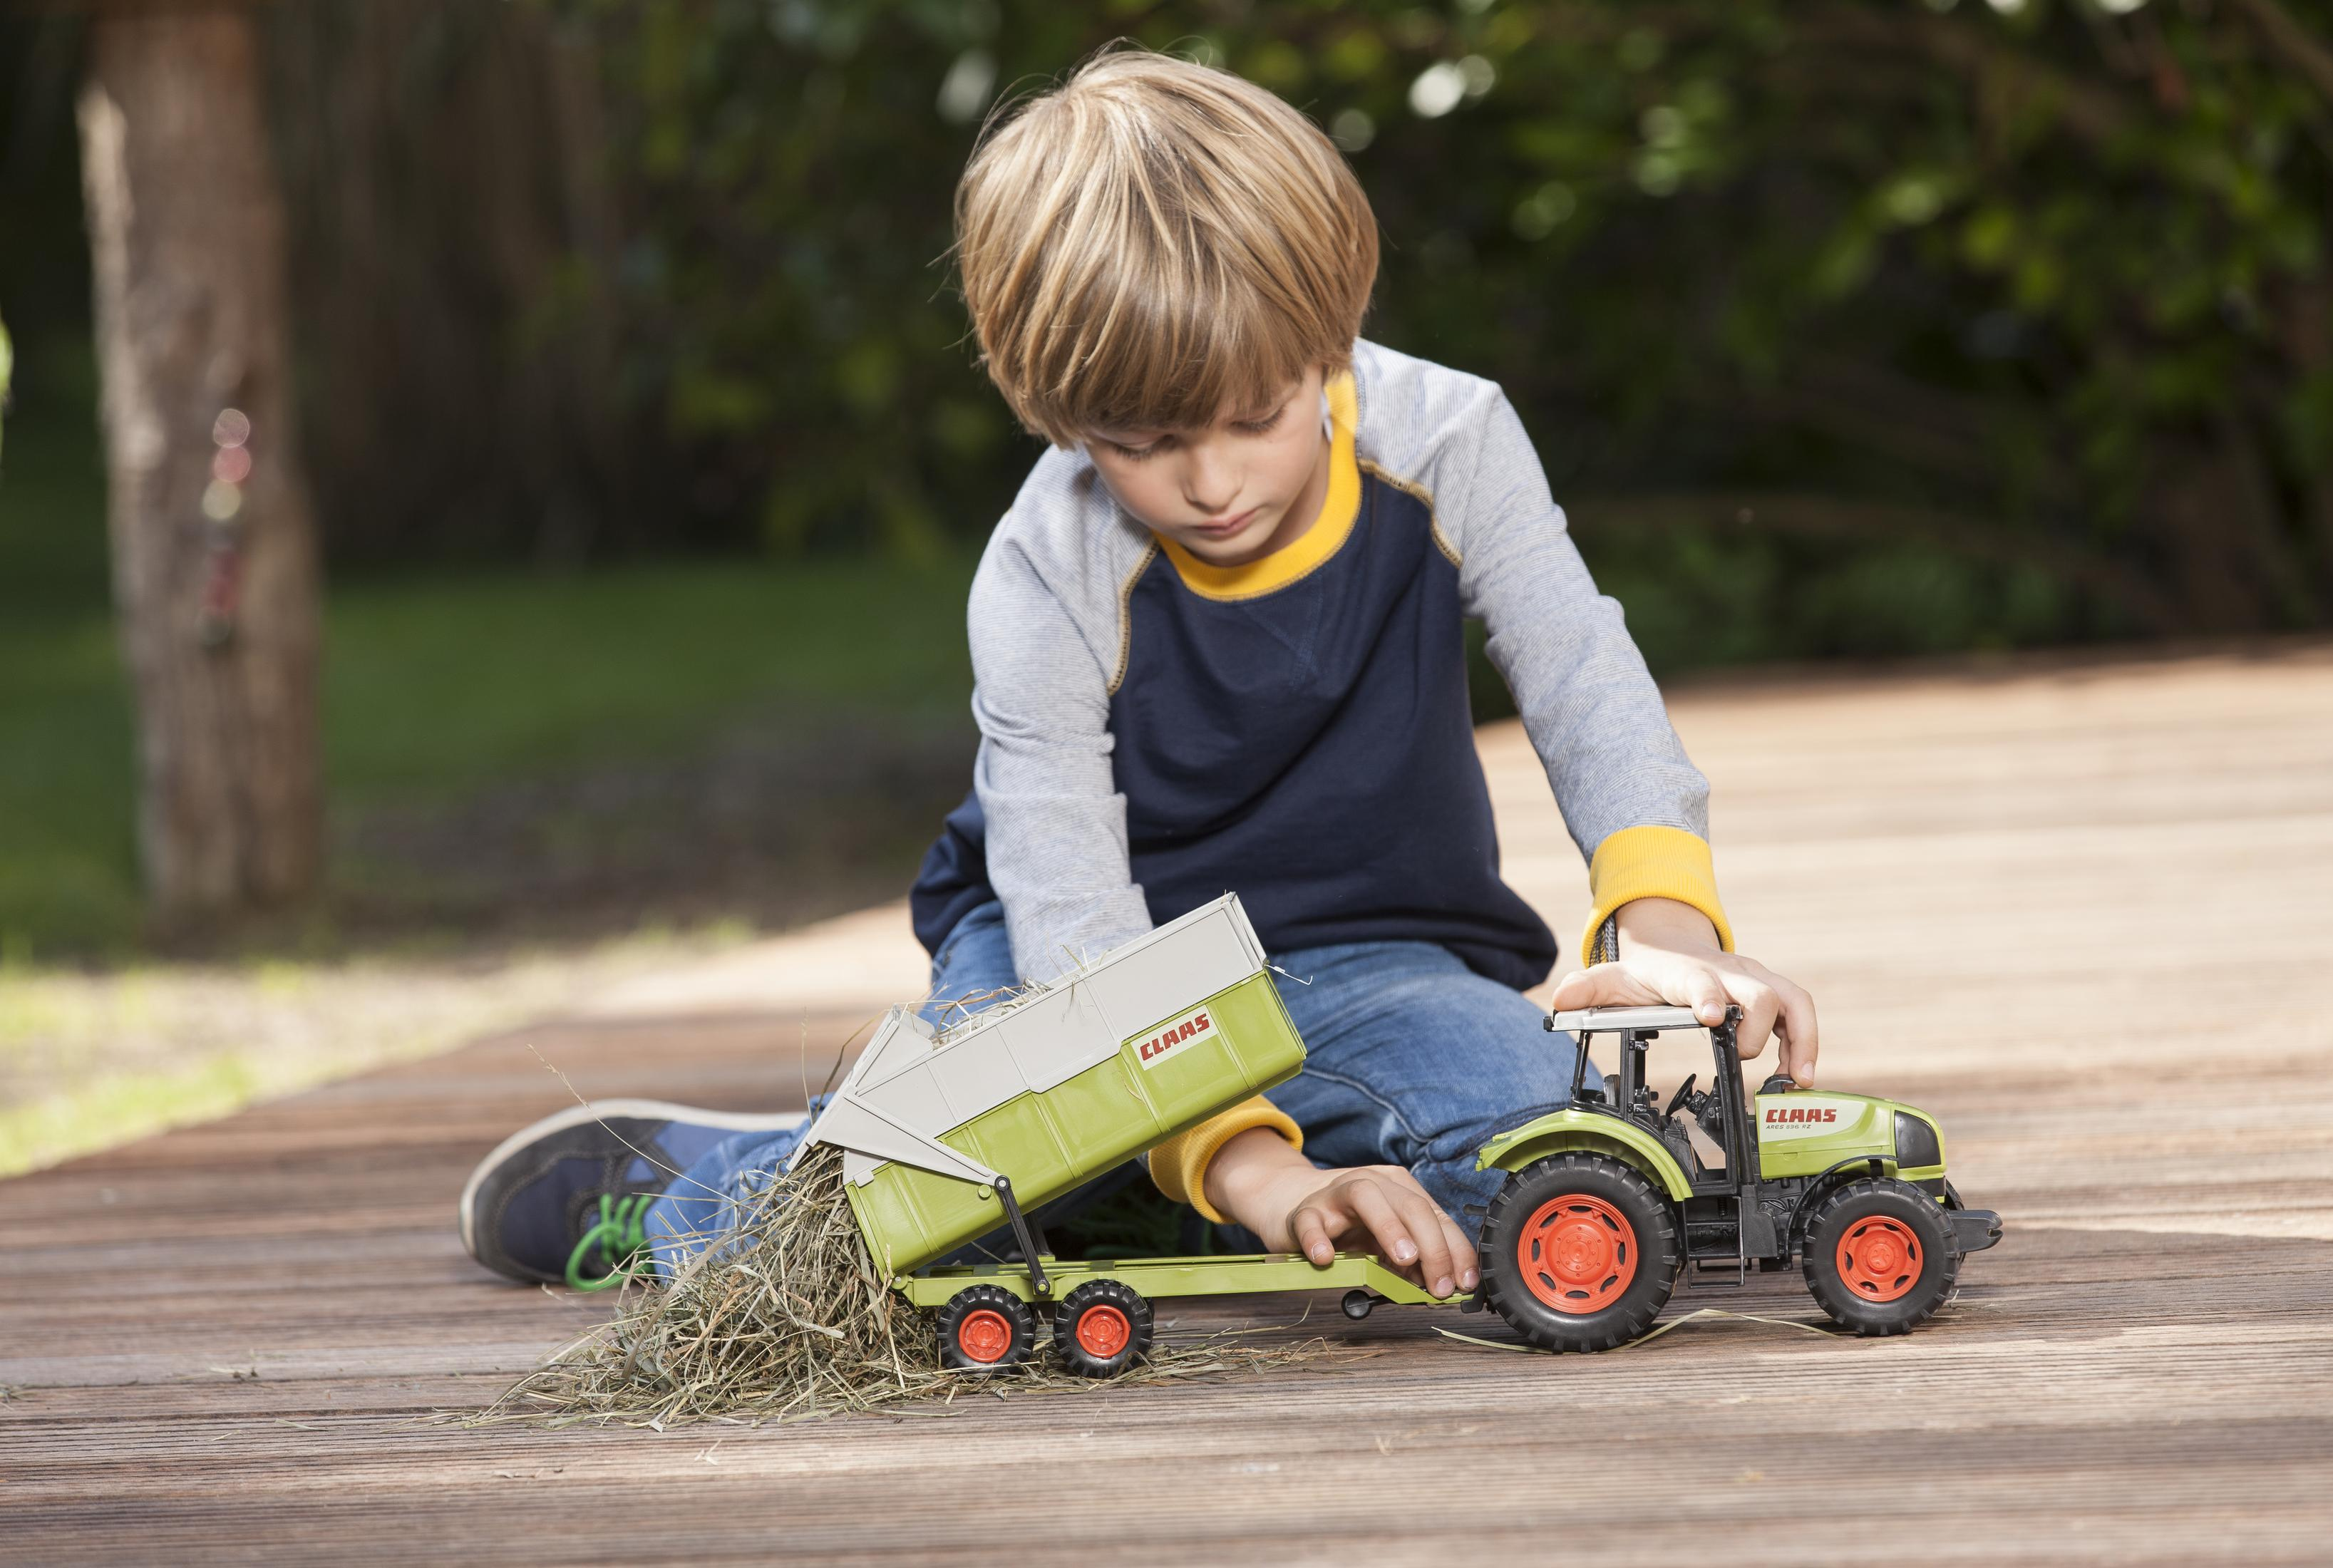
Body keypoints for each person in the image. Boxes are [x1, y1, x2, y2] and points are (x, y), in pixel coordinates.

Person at [458, 46, 1820, 1303]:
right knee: (932, 1218)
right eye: (1145, 440)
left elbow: (1581, 668)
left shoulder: (1450, 437)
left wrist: (1664, 929)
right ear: (1052, 408)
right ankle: (709, 1197)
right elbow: (1073, 922)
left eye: (1254, 417)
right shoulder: (1045, 568)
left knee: (1545, 1143)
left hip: (1373, 952)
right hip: (1080, 975)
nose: (1214, 481)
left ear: (1327, 341)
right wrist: (1254, 1162)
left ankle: (1133, 1193)